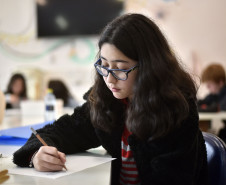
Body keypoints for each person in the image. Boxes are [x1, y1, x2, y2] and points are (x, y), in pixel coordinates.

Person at [13, 14, 208, 185]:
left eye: (120, 68)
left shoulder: (176, 110)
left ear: (149, 66)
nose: (109, 78)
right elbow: (61, 131)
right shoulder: (108, 101)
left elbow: (170, 179)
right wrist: (35, 156)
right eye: (104, 65)